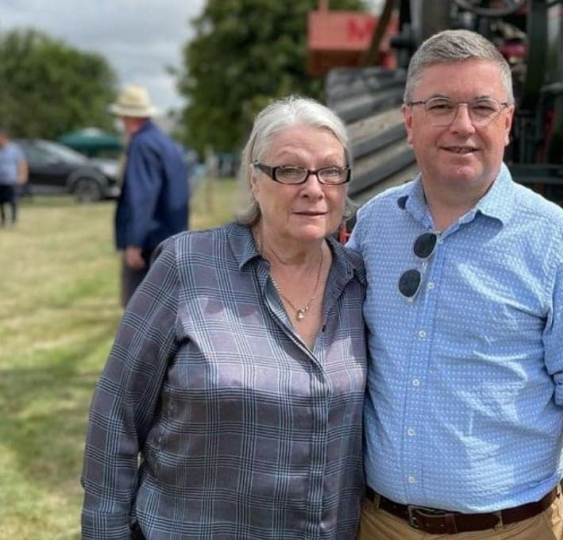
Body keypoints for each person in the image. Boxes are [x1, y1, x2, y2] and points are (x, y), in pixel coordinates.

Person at [347, 29, 563, 540]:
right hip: (380, 524)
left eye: (481, 107)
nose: (462, 126)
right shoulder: (374, 226)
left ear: (507, 122)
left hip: (512, 529)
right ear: (409, 121)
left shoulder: (557, 243)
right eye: (440, 105)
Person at [81, 96, 367, 540]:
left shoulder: (359, 283)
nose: (314, 188)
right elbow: (115, 413)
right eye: (290, 170)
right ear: (255, 179)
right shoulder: (187, 265)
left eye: (331, 170)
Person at [110, 84, 190, 307]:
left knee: (139, 310)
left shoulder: (141, 144)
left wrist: (134, 242)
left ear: (127, 117)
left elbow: (142, 196)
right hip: (169, 236)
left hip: (148, 241)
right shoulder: (164, 141)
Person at [0, 127, 28, 227]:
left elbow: (22, 163)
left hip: (11, 180)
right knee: (1, 202)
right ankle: (3, 220)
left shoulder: (14, 149)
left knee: (13, 201)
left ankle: (13, 220)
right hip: (1, 181)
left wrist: (23, 176)